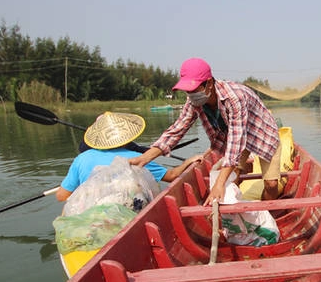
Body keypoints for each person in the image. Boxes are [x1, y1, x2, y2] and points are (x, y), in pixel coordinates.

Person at [129, 58, 281, 206]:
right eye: (188, 91)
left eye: (194, 90)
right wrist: (145, 158)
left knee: (271, 184)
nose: (191, 95)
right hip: (235, 136)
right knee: (231, 179)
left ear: (209, 83)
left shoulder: (235, 98)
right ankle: (237, 213)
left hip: (261, 134)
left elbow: (236, 142)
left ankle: (267, 213)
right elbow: (177, 129)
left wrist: (219, 185)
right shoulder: (195, 101)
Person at [56, 111, 202, 202]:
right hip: (127, 211)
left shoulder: (81, 159)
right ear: (125, 136)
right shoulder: (138, 158)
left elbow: (61, 196)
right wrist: (188, 161)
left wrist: (85, 188)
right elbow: (172, 175)